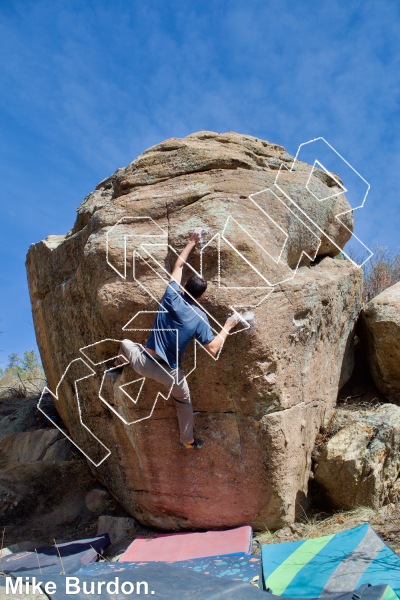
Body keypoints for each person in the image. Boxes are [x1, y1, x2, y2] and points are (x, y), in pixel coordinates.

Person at [115, 229, 240, 449]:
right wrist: (228, 326)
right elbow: (212, 348)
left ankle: (118, 365)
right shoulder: (200, 318)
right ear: (201, 296)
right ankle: (188, 441)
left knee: (125, 344)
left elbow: (179, 266)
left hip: (143, 362)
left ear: (184, 287)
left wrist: (192, 241)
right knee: (183, 402)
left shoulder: (171, 295)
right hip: (170, 375)